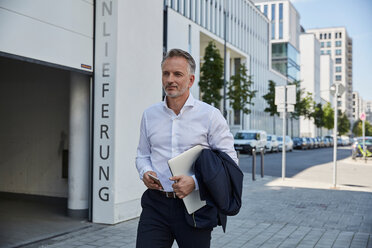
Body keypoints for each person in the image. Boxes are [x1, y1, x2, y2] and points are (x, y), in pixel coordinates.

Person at [135, 48, 238, 248]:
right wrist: (145, 172)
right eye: (166, 73)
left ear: (190, 80)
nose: (170, 79)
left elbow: (230, 163)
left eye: (177, 74)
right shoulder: (150, 115)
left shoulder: (210, 115)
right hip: (156, 204)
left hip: (195, 207)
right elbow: (142, 155)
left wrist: (196, 182)